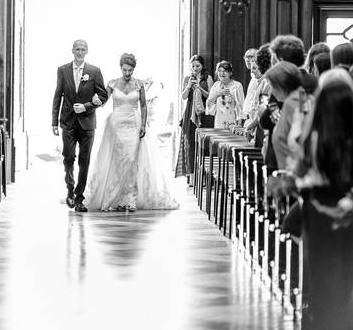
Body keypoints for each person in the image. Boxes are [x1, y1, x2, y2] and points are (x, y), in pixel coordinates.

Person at [296, 73, 353, 328]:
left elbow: (303, 169)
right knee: (348, 258)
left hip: (319, 202)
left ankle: (323, 317)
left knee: (320, 261)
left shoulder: (316, 130)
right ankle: (346, 318)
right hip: (352, 200)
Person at [85, 54, 179, 212]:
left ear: (134, 69)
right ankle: (114, 198)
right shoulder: (112, 83)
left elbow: (143, 106)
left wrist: (143, 124)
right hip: (116, 126)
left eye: (130, 70)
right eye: (124, 69)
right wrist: (93, 101)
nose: (127, 73)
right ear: (120, 68)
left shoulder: (139, 84)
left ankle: (130, 198)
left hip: (134, 125)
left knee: (131, 159)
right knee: (117, 161)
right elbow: (103, 101)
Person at [51, 39, 109, 212]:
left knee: (84, 160)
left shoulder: (94, 71)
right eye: (77, 49)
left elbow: (103, 96)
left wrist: (87, 106)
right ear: (72, 50)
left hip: (87, 123)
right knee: (68, 157)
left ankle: (79, 198)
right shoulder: (62, 70)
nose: (80, 52)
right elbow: (57, 96)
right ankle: (70, 189)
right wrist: (54, 121)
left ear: (87, 51)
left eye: (83, 49)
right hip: (68, 121)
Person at [175, 54, 213, 182]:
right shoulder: (187, 78)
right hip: (189, 112)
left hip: (204, 113)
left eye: (198, 66)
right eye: (193, 66)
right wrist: (189, 86)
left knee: (203, 145)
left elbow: (211, 97)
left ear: (202, 66)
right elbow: (184, 96)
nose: (195, 68)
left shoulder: (208, 78)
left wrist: (199, 88)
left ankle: (205, 177)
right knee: (189, 143)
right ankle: (191, 176)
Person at [264, 61, 306, 172]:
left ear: (281, 86)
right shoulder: (301, 97)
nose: (272, 91)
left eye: (273, 86)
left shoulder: (292, 103)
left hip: (292, 169)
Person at [206, 60, 245, 128]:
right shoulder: (216, 85)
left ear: (230, 73)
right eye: (220, 71)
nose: (222, 73)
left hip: (232, 120)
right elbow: (209, 103)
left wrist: (239, 123)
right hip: (219, 120)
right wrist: (217, 94)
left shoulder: (237, 86)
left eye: (225, 71)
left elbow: (241, 105)